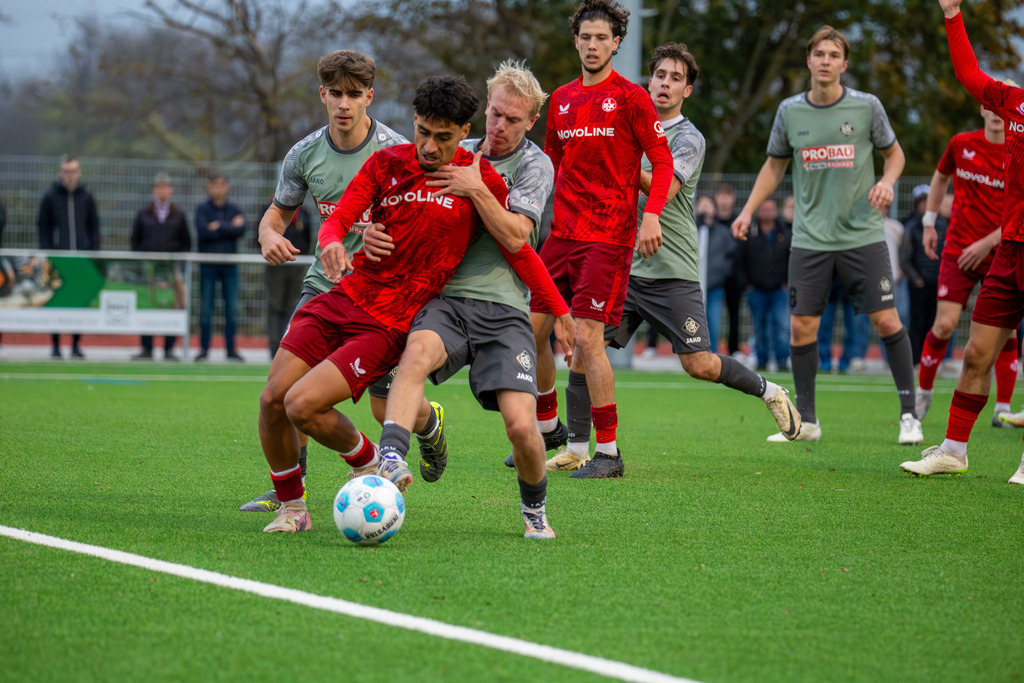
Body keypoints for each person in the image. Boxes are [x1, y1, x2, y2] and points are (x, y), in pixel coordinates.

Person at [258, 74, 528, 533]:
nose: (428, 146)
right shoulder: (384, 162)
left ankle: (386, 448)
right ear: (414, 121)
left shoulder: (479, 180)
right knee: (272, 399)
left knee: (313, 406)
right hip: (341, 293)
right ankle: (295, 508)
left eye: (442, 137)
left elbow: (516, 245)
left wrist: (555, 308)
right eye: (422, 131)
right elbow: (341, 216)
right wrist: (333, 241)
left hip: (390, 321)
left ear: (464, 132)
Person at [546, 43, 801, 473]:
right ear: (649, 81)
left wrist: (611, 161)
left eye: (676, 78)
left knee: (698, 364)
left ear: (688, 90)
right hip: (622, 265)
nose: (665, 83)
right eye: (660, 75)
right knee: (584, 350)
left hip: (671, 269)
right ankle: (577, 448)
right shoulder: (625, 121)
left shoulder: (689, 138)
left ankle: (769, 391)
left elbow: (666, 187)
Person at [365, 61, 575, 538]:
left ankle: (534, 510)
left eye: (513, 120)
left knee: (521, 427)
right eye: (495, 114)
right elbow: (401, 205)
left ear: (531, 121)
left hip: (505, 309)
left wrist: (477, 190)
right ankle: (390, 457)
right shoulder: (452, 150)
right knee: (415, 355)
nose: (499, 126)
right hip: (446, 300)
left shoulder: (535, 165)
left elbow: (517, 237)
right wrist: (371, 229)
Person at [241, 50, 441, 514]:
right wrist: (268, 234)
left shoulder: (396, 153)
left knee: (384, 408)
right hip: (324, 289)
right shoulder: (304, 154)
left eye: (354, 94)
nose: (344, 103)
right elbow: (277, 214)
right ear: (322, 95)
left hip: (382, 300)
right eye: (336, 94)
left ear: (369, 96)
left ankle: (429, 424)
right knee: (282, 394)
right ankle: (292, 491)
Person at [732, 25, 922, 445]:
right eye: (819, 54)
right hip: (810, 241)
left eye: (834, 55)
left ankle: (910, 415)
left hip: (862, 236)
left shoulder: (866, 107)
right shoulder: (789, 111)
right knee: (802, 328)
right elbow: (774, 166)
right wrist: (747, 210)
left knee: (886, 320)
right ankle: (808, 422)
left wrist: (888, 181)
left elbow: (895, 155)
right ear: (809, 60)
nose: (825, 61)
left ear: (844, 64)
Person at [529, 0, 674, 479]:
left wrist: (651, 215)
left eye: (601, 38)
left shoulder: (632, 98)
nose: (592, 45)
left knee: (590, 341)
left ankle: (608, 453)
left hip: (607, 237)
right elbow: (549, 165)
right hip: (561, 235)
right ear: (576, 42)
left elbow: (663, 163)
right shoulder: (561, 99)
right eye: (585, 37)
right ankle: (548, 427)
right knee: (528, 331)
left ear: (616, 43)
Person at [901, 0, 1024, 485]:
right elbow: (968, 73)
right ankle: (953, 450)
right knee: (975, 353)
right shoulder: (1013, 101)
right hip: (1009, 252)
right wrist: (952, 13)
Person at [911, 101, 1018, 429]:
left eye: (1005, 105)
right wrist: (929, 223)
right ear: (983, 109)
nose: (998, 112)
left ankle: (1002, 408)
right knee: (944, 325)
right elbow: (940, 177)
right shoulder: (961, 144)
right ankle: (923, 393)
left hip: (1001, 250)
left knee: (1007, 331)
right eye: (992, 105)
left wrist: (987, 243)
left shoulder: (1018, 150)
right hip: (958, 250)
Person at [37, 155, 100, 359]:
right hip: (57, 260)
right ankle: (55, 345)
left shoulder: (87, 196)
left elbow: (94, 226)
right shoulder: (50, 196)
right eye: (66, 171)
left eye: (73, 171)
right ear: (60, 173)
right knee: (57, 301)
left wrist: (92, 252)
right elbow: (43, 227)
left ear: (79, 173)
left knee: (79, 303)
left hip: (81, 260)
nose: (70, 175)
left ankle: (75, 345)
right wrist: (48, 252)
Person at [130, 172, 191, 361]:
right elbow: (135, 241)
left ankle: (169, 348)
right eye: (159, 187)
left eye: (165, 187)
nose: (162, 190)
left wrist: (177, 265)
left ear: (170, 190)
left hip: (170, 271)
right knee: (147, 306)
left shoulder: (178, 215)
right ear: (154, 190)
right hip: (149, 270)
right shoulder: (143, 214)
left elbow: (186, 242)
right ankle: (147, 348)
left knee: (171, 306)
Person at [194, 174, 246, 361]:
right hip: (208, 264)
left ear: (227, 187)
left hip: (229, 265)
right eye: (215, 184)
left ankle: (231, 350)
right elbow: (203, 232)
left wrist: (218, 226)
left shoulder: (234, 209)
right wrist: (229, 227)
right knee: (206, 308)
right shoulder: (202, 209)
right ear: (208, 187)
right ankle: (204, 349)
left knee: (231, 308)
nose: (218, 188)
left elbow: (241, 230)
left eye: (222, 184)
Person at [741, 198, 791, 372]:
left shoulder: (785, 233)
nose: (768, 213)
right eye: (765, 209)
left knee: (782, 325)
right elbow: (740, 259)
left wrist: (788, 282)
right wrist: (747, 284)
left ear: (776, 211)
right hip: (756, 289)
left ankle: (782, 360)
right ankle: (761, 359)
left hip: (779, 289)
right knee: (759, 325)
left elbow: (792, 258)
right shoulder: (749, 232)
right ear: (759, 211)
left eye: (771, 209)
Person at [900, 184, 947, 364]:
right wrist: (916, 278)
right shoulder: (911, 227)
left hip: (937, 283)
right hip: (918, 285)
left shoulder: (942, 226)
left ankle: (932, 360)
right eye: (922, 203)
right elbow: (904, 258)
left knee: (935, 324)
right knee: (916, 322)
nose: (925, 206)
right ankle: (915, 360)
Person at [263, 199, 310, 358]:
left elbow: (308, 237)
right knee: (275, 304)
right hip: (276, 264)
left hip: (296, 264)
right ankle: (274, 346)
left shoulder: (303, 212)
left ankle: (287, 344)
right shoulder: (271, 209)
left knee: (292, 304)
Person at [699, 193, 738, 353]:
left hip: (715, 286)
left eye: (708, 204)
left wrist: (722, 274)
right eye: (701, 204)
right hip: (693, 286)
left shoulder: (722, 233)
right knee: (692, 324)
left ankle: (711, 355)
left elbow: (731, 256)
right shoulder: (689, 230)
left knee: (713, 324)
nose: (705, 208)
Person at [716, 184, 746, 360]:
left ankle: (734, 348)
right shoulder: (710, 221)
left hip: (734, 278)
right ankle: (707, 348)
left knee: (734, 314)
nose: (724, 200)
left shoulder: (739, 221)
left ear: (733, 199)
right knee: (708, 313)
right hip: (713, 277)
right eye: (721, 195)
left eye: (727, 196)